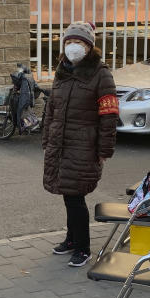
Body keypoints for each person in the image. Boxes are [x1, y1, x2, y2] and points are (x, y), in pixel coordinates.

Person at [42, 21, 118, 268]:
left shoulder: (101, 74)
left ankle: (83, 247)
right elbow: (51, 108)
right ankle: (72, 240)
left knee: (75, 197)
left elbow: (109, 115)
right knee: (68, 195)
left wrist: (104, 150)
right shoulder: (62, 71)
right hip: (61, 144)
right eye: (69, 41)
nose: (73, 46)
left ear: (89, 46)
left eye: (79, 42)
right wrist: (46, 138)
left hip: (84, 146)